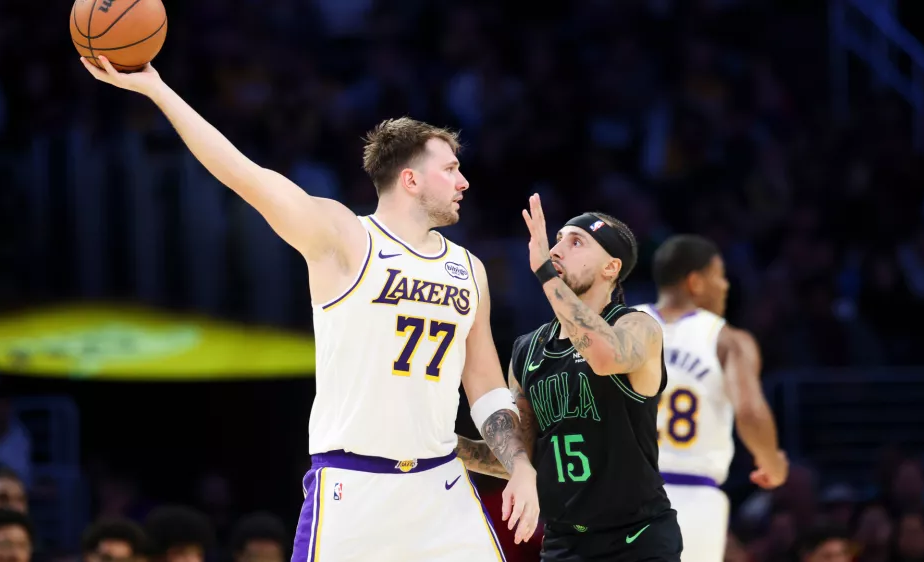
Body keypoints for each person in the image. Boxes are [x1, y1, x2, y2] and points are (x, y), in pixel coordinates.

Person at [80, 56, 538, 561]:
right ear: (410, 179)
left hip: (440, 488)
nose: (463, 181)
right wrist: (159, 91)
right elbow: (243, 175)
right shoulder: (345, 237)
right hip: (354, 485)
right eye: (450, 168)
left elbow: (486, 386)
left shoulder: (469, 268)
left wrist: (519, 465)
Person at [457, 198, 683, 561]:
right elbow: (517, 460)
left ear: (611, 267)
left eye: (576, 242)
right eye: (557, 239)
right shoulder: (528, 350)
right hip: (564, 543)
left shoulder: (638, 326)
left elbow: (605, 356)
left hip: (636, 539)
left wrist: (546, 274)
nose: (556, 250)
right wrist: (442, 445)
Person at [634, 234, 789, 562]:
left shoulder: (621, 326)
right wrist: (772, 462)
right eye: (719, 275)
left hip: (619, 493)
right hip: (693, 497)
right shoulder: (727, 339)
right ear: (695, 281)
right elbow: (749, 410)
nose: (725, 286)